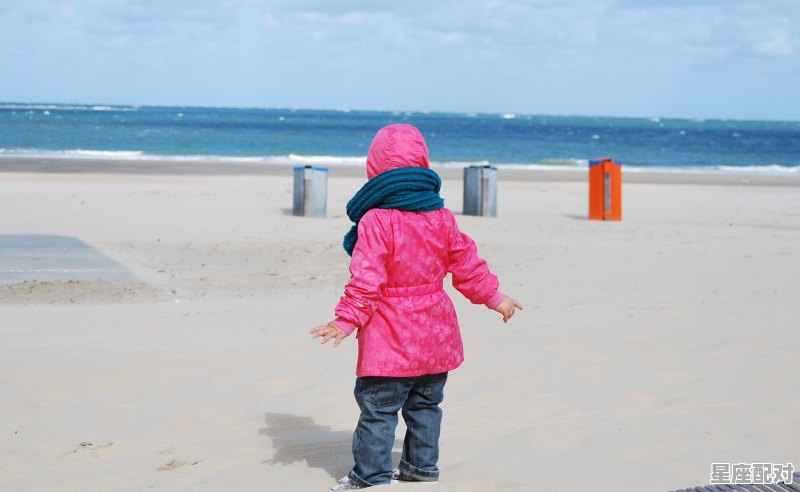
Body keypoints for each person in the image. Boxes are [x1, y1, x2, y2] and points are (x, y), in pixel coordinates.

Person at [310, 123, 522, 491]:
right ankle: (420, 469)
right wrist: (495, 297)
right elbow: (467, 263)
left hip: (389, 339)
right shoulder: (440, 216)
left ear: (374, 169)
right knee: (425, 406)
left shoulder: (376, 220)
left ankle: (371, 476)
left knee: (379, 409)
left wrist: (345, 320)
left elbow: (367, 279)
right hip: (435, 335)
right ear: (423, 164)